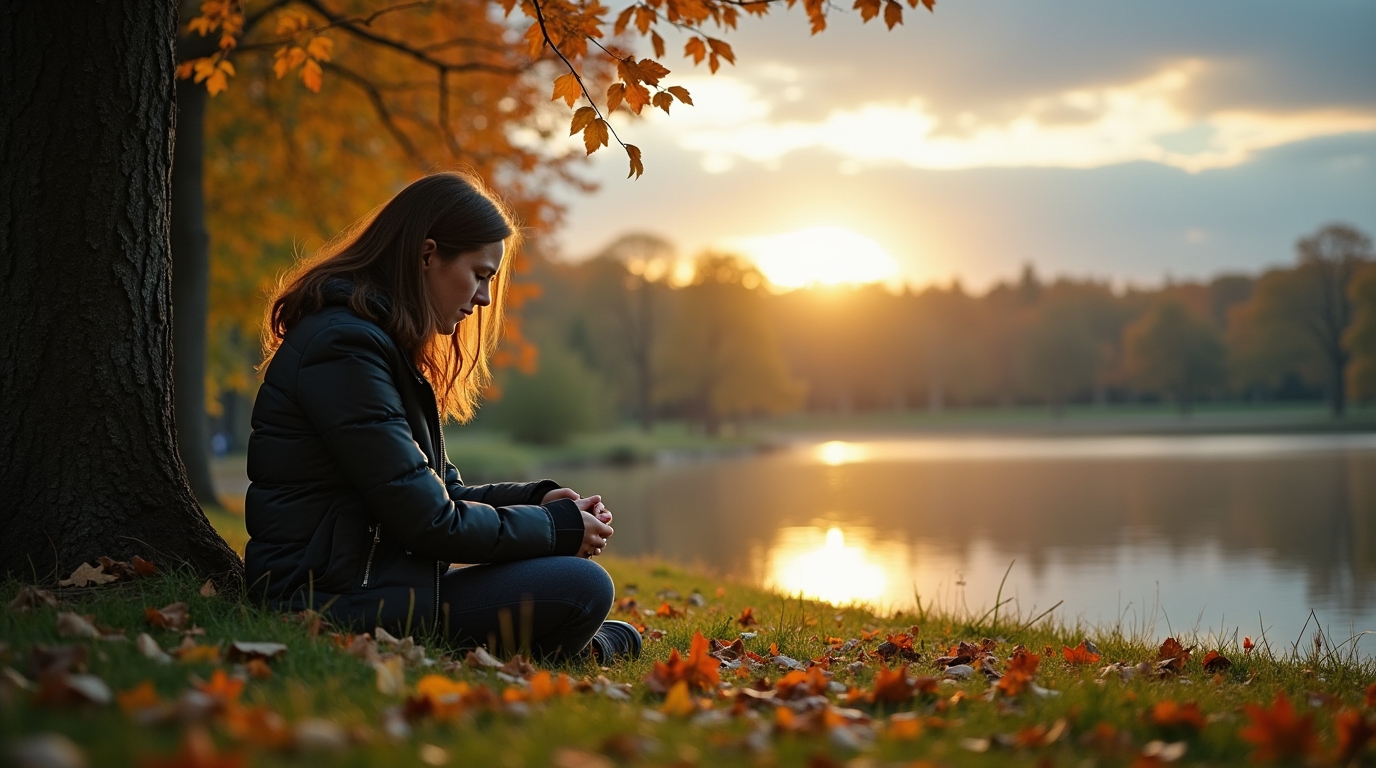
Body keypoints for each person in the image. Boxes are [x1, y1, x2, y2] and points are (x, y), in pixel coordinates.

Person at [243, 172, 640, 662]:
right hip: (326, 603)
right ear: (428, 255)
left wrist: (539, 499)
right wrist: (556, 527)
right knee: (582, 585)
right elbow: (430, 521)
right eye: (479, 275)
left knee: (570, 580)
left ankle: (570, 646)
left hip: (368, 586)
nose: (485, 299)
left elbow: (439, 492)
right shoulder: (344, 350)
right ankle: (580, 653)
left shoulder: (375, 346)